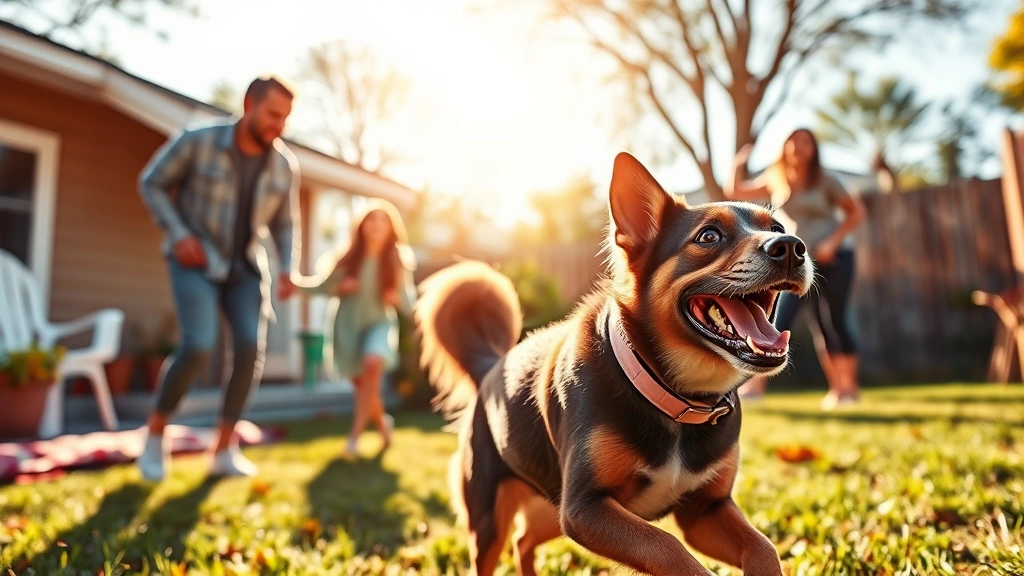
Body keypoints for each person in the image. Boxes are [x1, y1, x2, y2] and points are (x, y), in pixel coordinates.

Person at [136, 76, 300, 479]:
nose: (279, 126)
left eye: (285, 118)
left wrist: (286, 267)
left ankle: (223, 450)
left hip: (245, 268)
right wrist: (179, 234)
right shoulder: (199, 141)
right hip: (196, 261)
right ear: (249, 104)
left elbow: (284, 224)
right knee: (198, 344)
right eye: (273, 115)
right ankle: (155, 437)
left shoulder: (283, 165)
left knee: (248, 347)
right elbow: (151, 183)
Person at [725, 128, 866, 409]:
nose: (799, 146)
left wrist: (832, 242)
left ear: (814, 150)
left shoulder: (826, 179)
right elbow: (737, 192)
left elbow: (856, 212)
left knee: (834, 321)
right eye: (794, 140)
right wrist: (737, 165)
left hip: (836, 258)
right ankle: (756, 387)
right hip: (800, 264)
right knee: (782, 318)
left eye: (806, 142)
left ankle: (847, 390)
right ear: (784, 146)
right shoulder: (776, 179)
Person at [293, 200, 416, 456]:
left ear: (391, 228)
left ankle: (354, 438)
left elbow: (409, 303)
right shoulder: (347, 257)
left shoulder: (396, 260)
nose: (377, 225)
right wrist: (328, 287)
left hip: (379, 323)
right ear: (361, 225)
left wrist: (396, 298)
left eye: (383, 220)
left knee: (372, 362)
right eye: (372, 219)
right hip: (347, 326)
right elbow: (322, 286)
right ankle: (383, 424)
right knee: (363, 386)